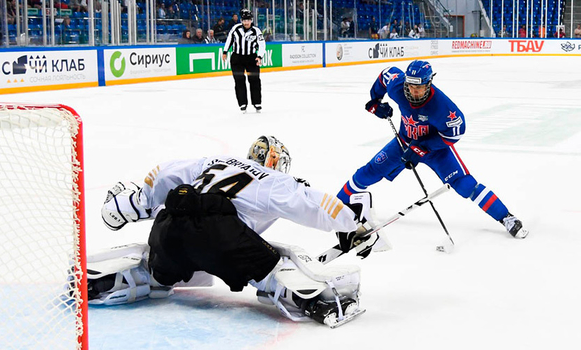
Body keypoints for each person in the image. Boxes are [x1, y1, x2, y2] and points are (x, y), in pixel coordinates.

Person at [89, 136, 379, 327]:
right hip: (221, 238)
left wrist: (143, 201)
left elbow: (165, 172)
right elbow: (311, 204)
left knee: (157, 269)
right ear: (276, 162)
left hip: (169, 227)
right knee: (277, 262)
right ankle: (312, 301)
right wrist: (353, 222)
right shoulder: (273, 179)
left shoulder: (215, 161)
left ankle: (107, 283)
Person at [337, 60, 529, 239]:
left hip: (435, 149)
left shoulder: (444, 108)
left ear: (429, 84)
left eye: (419, 87)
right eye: (411, 86)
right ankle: (336, 206)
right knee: (369, 172)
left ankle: (506, 217)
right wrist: (375, 103)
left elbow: (453, 135)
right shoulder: (398, 86)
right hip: (404, 141)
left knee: (465, 186)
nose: (414, 92)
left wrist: (421, 148)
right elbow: (385, 75)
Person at [222, 9, 265, 113]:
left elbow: (262, 44)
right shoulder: (235, 29)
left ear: (251, 20)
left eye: (248, 20)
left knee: (254, 80)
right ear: (241, 20)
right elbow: (229, 40)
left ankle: (257, 102)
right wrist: (225, 51)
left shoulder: (256, 31)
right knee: (239, 80)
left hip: (251, 58)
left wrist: (259, 56)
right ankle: (242, 103)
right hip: (237, 58)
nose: (246, 22)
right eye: (244, 20)